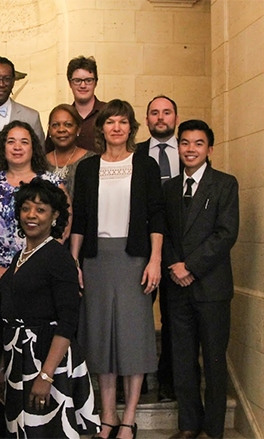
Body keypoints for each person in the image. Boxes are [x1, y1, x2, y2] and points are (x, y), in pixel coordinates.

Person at [70, 99, 165, 439]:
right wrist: (75, 262)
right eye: (110, 122)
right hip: (96, 261)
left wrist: (155, 260)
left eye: (123, 122)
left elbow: (157, 215)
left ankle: (129, 419)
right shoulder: (87, 168)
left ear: (131, 128)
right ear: (102, 128)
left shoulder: (146, 165)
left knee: (133, 338)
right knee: (101, 339)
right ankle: (108, 416)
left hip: (134, 258)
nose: (116, 128)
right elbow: (78, 219)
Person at [0, 178, 100, 438]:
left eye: (40, 210)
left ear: (55, 216)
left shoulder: (58, 256)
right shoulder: (21, 255)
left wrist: (46, 376)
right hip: (17, 358)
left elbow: (68, 320)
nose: (31, 215)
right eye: (26, 208)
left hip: (47, 360)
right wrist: (1, 367)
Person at [162, 120, 239, 439]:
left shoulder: (225, 184)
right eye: (185, 143)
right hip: (176, 289)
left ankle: (212, 429)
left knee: (214, 360)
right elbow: (161, 234)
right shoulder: (168, 187)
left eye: (197, 144)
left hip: (211, 288)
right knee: (182, 359)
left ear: (209, 149)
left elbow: (226, 234)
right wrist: (173, 266)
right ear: (178, 147)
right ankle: (189, 424)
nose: (190, 149)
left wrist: (189, 266)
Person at [0, 120, 68, 280]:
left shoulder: (52, 183)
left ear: (33, 148)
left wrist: (39, 265)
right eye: (11, 142)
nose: (17, 147)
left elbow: (63, 227)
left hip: (43, 273)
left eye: (24, 142)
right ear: (3, 147)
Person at [136, 95, 181, 403]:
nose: (160, 118)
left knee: (173, 317)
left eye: (166, 112)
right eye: (154, 113)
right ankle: (136, 380)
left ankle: (168, 381)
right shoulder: (136, 154)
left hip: (179, 249)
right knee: (138, 314)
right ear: (147, 119)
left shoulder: (191, 152)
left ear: (175, 117)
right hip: (143, 247)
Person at [0, 56, 45, 151]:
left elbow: (39, 155)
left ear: (13, 82)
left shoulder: (30, 117)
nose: (1, 84)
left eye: (6, 79)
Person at [45, 103, 96, 196]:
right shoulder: (40, 162)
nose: (61, 130)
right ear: (49, 130)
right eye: (55, 125)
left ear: (78, 129)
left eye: (68, 125)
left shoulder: (91, 161)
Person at [62, 55, 106, 154]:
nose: (83, 85)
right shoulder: (63, 116)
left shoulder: (108, 113)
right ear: (70, 83)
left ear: (96, 83)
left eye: (88, 80)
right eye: (77, 81)